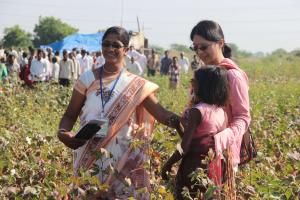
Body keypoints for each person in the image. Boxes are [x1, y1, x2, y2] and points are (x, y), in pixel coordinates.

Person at [57, 26, 181, 199]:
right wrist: (63, 133)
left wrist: (183, 120)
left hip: (122, 161)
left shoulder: (136, 85)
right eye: (106, 44)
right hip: (88, 155)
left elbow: (162, 114)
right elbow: (70, 115)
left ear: (127, 50)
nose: (110, 49)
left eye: (116, 45)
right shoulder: (87, 79)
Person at [188, 20, 251, 194]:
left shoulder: (233, 75)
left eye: (204, 47)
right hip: (198, 153)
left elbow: (243, 117)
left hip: (223, 154)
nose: (200, 53)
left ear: (220, 43)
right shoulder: (202, 75)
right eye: (195, 48)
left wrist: (219, 141)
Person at [162, 66, 229, 199]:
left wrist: (168, 164)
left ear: (203, 86)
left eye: (195, 81)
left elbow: (185, 146)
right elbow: (196, 141)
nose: (192, 83)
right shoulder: (221, 112)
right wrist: (178, 127)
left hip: (194, 166)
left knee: (188, 195)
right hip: (213, 166)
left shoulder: (197, 111)